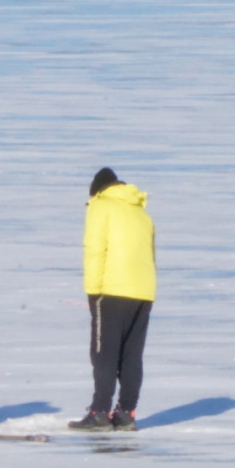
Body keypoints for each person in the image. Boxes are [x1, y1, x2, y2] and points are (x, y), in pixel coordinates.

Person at [69, 167, 156, 432]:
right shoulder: (141, 213)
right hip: (143, 292)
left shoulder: (101, 206)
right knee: (131, 355)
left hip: (112, 290)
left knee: (103, 354)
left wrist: (93, 292)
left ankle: (99, 413)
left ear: (97, 191)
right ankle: (126, 413)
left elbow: (96, 250)